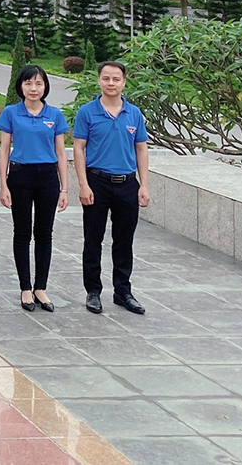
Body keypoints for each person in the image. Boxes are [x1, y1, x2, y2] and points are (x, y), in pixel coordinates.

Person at [73, 61, 150, 316]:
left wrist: (144, 185)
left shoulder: (134, 113)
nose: (111, 83)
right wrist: (83, 184)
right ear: (99, 81)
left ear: (124, 82)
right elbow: (79, 149)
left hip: (127, 183)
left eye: (116, 79)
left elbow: (141, 149)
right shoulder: (87, 112)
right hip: (97, 182)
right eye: (106, 78)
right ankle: (93, 291)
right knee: (93, 239)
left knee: (124, 241)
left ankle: (123, 291)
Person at [0, 64, 69, 313]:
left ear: (45, 86)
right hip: (20, 175)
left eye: (38, 83)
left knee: (44, 233)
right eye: (28, 83)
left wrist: (64, 188)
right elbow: (4, 151)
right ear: (21, 86)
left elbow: (61, 153)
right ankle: (25, 287)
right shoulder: (11, 113)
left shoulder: (55, 115)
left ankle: (41, 287)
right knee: (22, 232)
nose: (33, 88)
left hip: (47, 176)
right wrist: (3, 184)